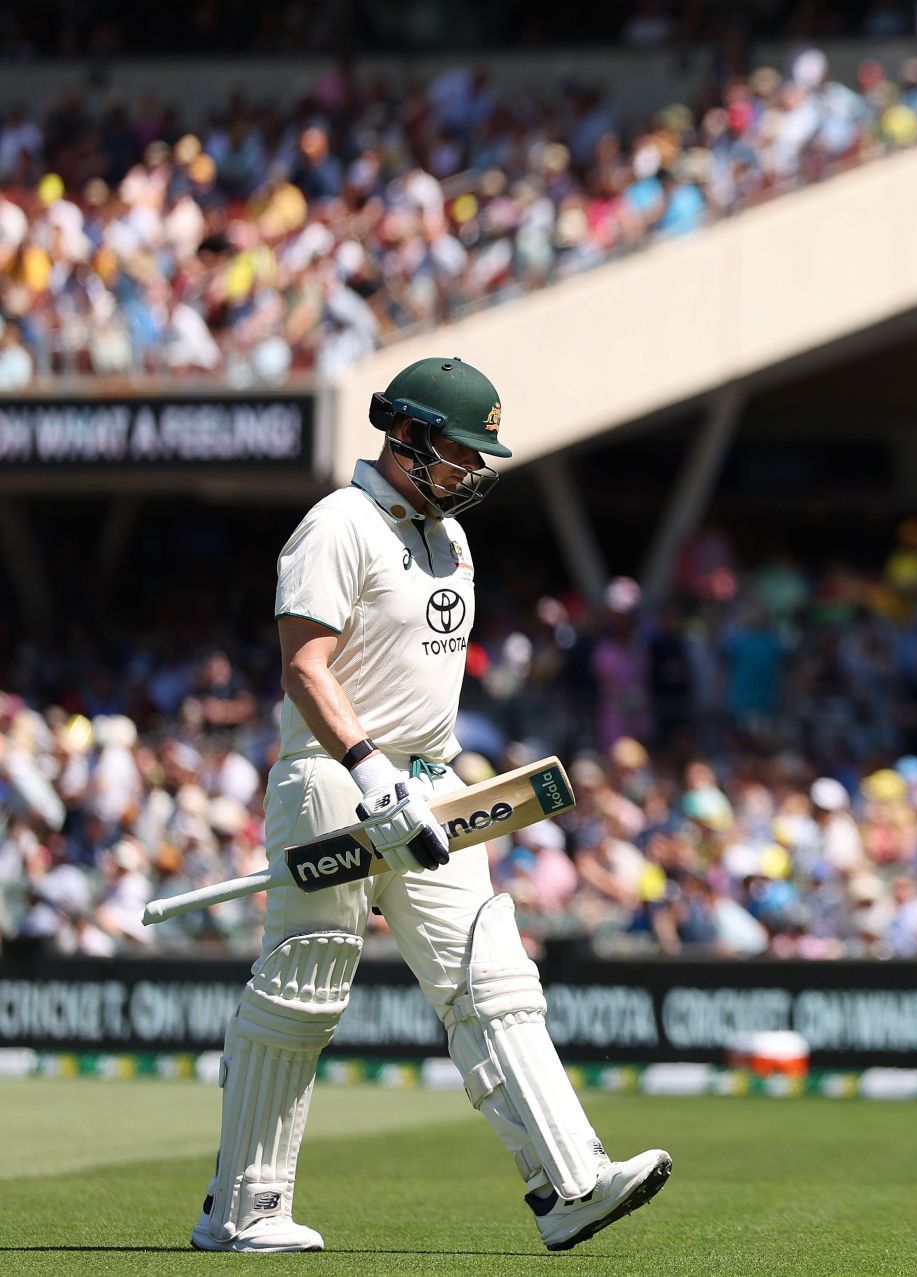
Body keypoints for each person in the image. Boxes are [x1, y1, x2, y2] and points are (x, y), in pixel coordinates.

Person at [191, 358, 670, 1254]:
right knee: (305, 988)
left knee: (493, 977)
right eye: (457, 449)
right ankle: (244, 1210)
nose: (471, 469)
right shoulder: (337, 525)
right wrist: (371, 772)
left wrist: (436, 770)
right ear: (404, 435)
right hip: (335, 776)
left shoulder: (451, 538)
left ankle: (569, 1183)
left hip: (432, 783)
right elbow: (305, 668)